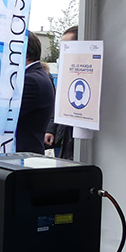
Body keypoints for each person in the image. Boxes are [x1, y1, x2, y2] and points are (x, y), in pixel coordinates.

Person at [16, 31, 55, 154]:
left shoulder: (31, 80)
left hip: (22, 156)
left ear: (24, 53)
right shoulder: (37, 75)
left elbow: (5, 114)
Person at [45, 26, 77, 159]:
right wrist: (51, 130)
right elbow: (58, 105)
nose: (61, 54)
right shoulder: (65, 76)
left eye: (67, 48)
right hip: (64, 141)